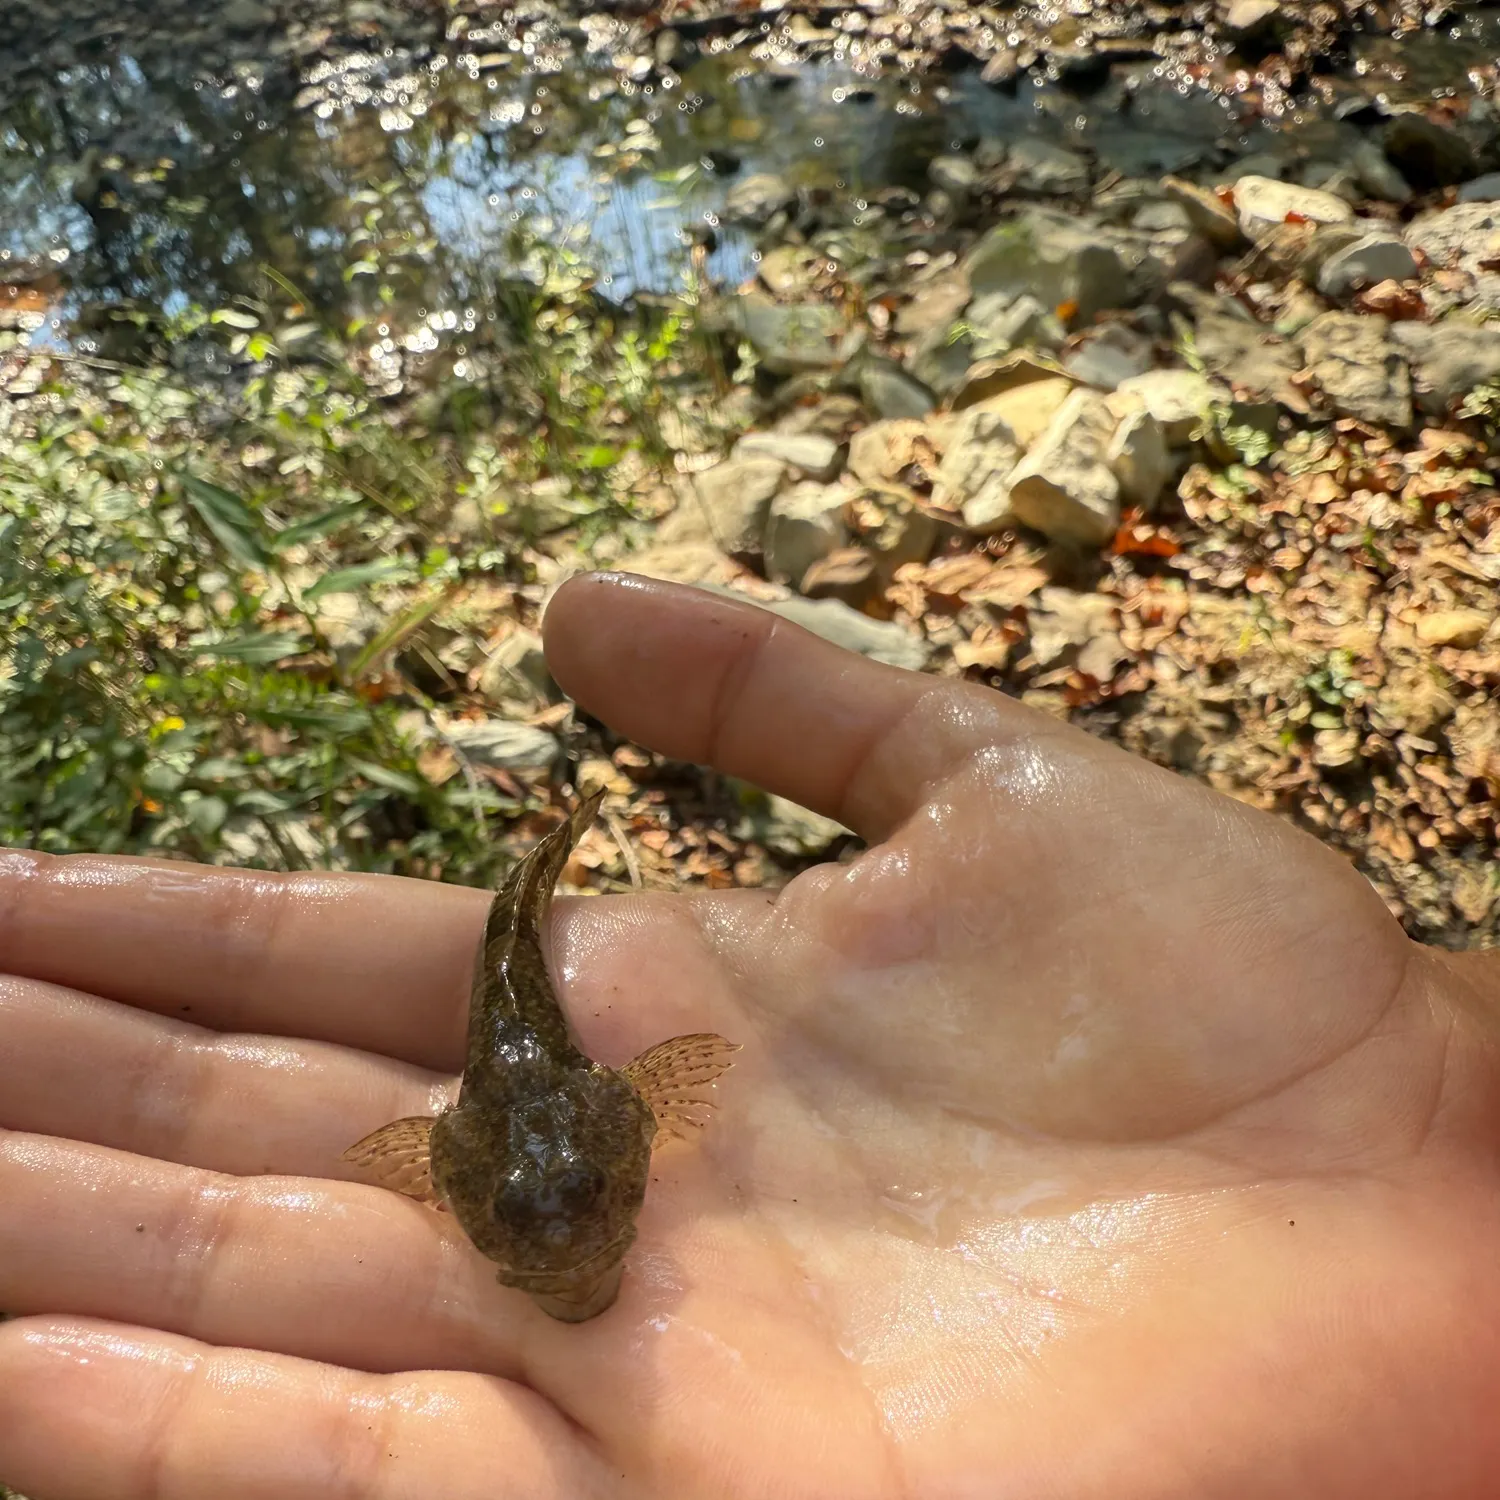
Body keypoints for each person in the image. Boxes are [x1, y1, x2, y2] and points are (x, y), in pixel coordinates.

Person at [1, 571, 1497, 1500]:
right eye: (555, 1248)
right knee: (503, 948)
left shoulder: (580, 1124)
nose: (580, 1263)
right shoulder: (529, 1145)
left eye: (583, 1228)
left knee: (517, 931)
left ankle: (538, 854)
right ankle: (531, 858)